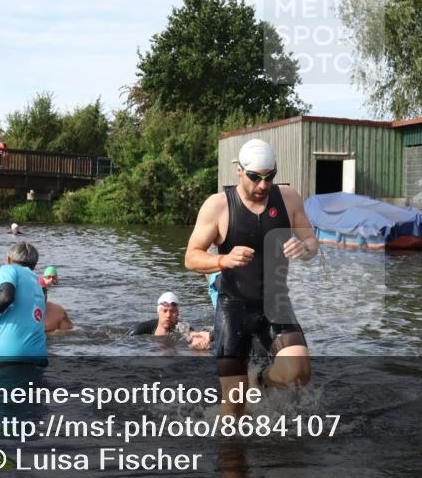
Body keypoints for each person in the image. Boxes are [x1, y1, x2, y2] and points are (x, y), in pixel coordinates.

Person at [185, 138, 318, 414]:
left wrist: (304, 247)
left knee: (299, 373)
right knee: (234, 411)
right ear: (239, 172)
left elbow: (311, 242)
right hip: (233, 310)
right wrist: (223, 260)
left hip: (276, 303)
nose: (263, 185)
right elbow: (191, 257)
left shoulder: (289, 198)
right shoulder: (218, 206)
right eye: (255, 177)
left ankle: (260, 379)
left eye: (270, 177)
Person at [0, 242, 46, 362]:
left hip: (8, 355)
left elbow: (6, 297)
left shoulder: (8, 269)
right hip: (39, 355)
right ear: (35, 265)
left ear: (9, 259)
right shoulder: (39, 283)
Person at [128, 292, 212, 350]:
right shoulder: (139, 330)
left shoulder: (183, 327)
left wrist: (198, 341)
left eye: (172, 311)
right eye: (164, 311)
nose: (168, 315)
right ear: (158, 312)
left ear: (178, 313)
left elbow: (193, 334)